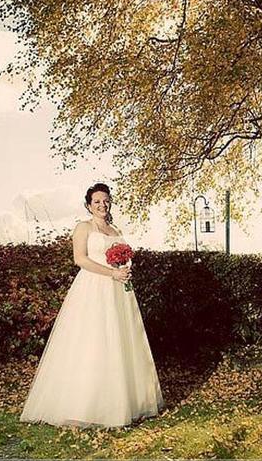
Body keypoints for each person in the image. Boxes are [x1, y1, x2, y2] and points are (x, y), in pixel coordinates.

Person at [19, 183, 165, 428]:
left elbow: (126, 256)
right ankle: (84, 406)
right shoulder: (83, 228)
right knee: (93, 342)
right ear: (88, 205)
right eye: (97, 201)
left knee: (121, 340)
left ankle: (126, 402)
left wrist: (126, 269)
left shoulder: (115, 229)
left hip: (119, 290)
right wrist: (111, 273)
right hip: (93, 288)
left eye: (106, 200)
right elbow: (80, 260)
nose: (102, 205)